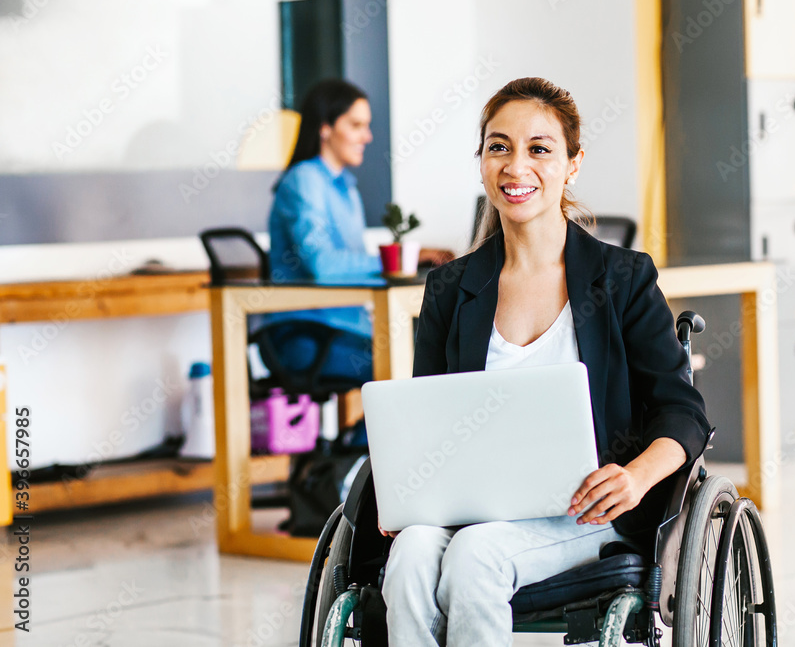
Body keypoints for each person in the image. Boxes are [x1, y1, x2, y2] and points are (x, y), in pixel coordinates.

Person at [378, 77, 711, 646]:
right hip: (471, 505)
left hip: (584, 512)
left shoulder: (624, 279)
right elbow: (427, 416)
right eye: (499, 146)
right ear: (481, 161)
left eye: (539, 149)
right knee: (409, 556)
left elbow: (683, 412)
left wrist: (635, 478)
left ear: (572, 164)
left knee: (474, 557)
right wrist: (409, 487)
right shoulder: (452, 289)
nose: (515, 166)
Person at [266, 79, 454, 382]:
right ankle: (367, 433)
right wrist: (404, 259)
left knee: (440, 352)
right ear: (325, 128)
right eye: (356, 125)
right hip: (306, 334)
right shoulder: (304, 180)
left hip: (348, 328)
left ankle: (363, 433)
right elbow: (323, 266)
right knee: (411, 366)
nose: (367, 136)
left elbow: (350, 263)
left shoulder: (347, 189)